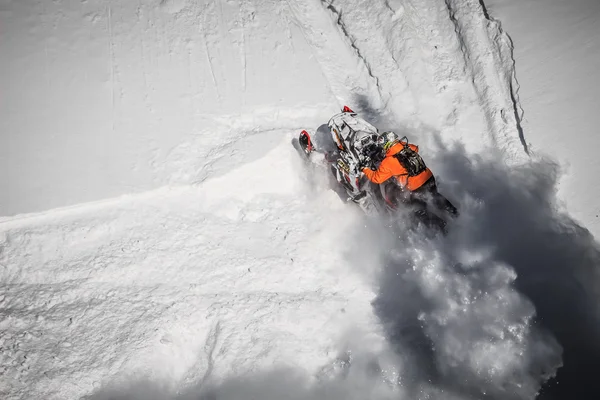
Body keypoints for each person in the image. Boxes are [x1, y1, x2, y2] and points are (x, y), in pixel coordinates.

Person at [360, 132, 458, 218]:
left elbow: (376, 178)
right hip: (428, 177)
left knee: (417, 208)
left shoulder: (388, 161)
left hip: (416, 187)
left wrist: (364, 169)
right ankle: (454, 213)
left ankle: (440, 227)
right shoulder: (407, 147)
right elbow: (416, 148)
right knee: (435, 196)